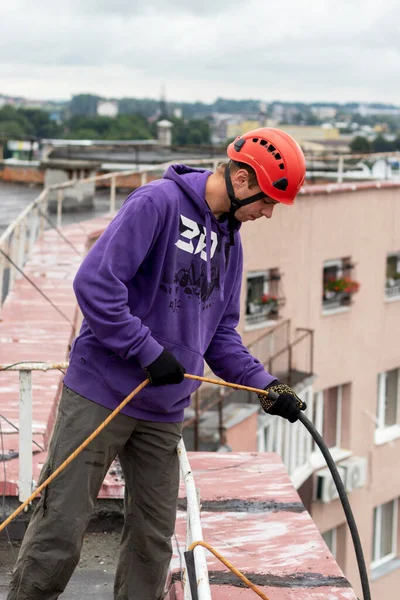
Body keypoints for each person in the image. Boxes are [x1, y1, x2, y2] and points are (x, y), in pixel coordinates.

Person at [8, 127, 307, 600]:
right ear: (245, 180)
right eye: (269, 200)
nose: (268, 213)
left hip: (163, 411)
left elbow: (222, 336)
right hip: (101, 393)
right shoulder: (157, 204)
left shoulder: (231, 243)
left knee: (152, 541)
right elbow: (95, 286)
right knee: (61, 526)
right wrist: (146, 351)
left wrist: (267, 386)